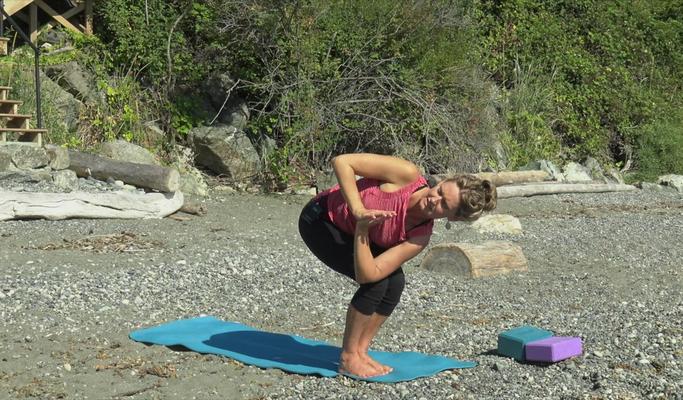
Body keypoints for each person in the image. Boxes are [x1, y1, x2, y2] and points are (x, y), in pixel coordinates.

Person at [298, 153, 497, 378]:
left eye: (444, 205)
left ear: (453, 218)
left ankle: (360, 351)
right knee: (376, 285)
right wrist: (358, 211)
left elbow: (367, 273)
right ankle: (348, 357)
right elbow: (341, 162)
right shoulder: (406, 175)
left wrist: (362, 229)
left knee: (395, 283)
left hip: (355, 232)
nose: (434, 199)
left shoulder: (418, 236)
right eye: (440, 191)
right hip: (320, 219)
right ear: (441, 182)